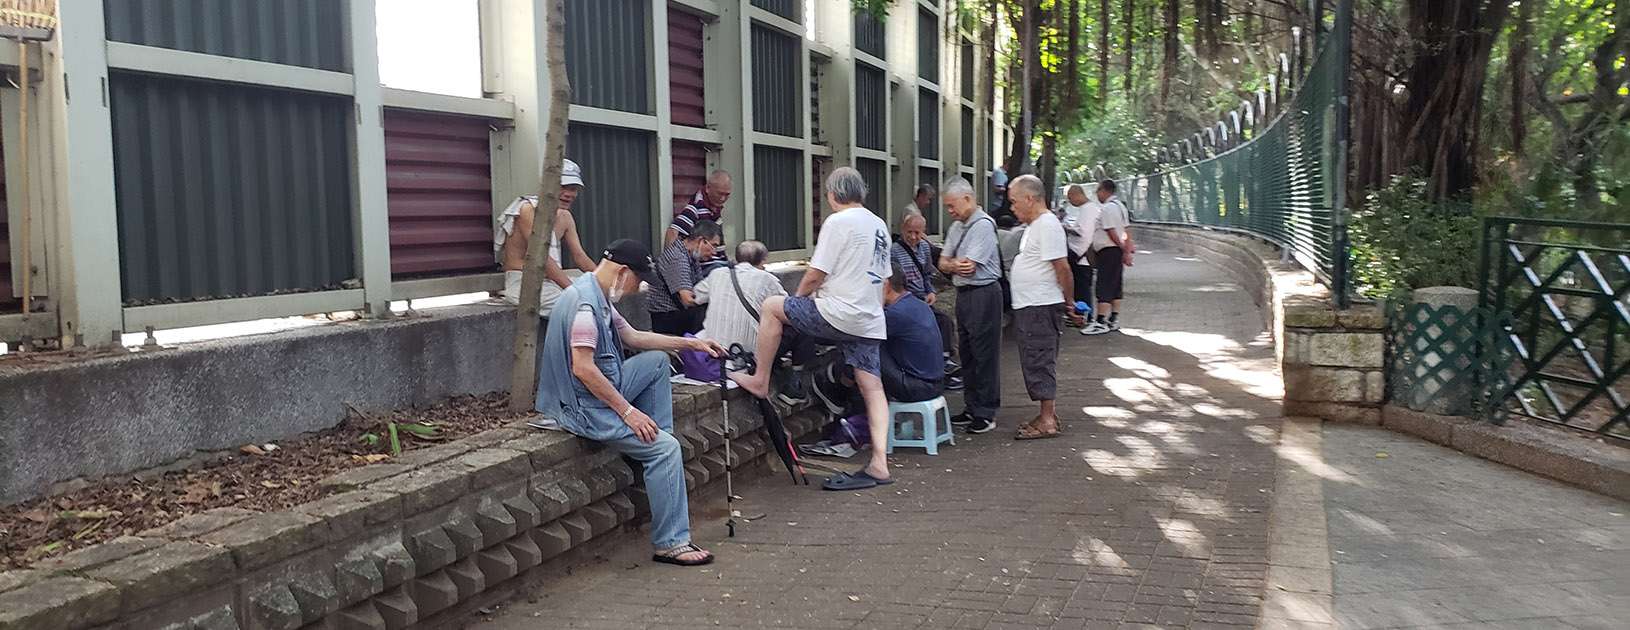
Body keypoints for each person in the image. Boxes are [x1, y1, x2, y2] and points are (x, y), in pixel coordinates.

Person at [532, 239, 725, 567]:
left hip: (596, 392)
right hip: (582, 409)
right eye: (639, 279)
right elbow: (583, 369)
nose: (640, 287)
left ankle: (656, 451)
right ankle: (671, 544)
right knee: (666, 449)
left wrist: (692, 345)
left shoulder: (593, 291)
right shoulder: (585, 309)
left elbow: (633, 337)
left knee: (657, 362)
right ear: (623, 272)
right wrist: (629, 412)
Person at [731, 167, 895, 491]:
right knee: (872, 387)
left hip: (837, 313)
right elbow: (884, 279)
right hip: (869, 319)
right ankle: (879, 463)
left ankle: (760, 379)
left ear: (833, 195)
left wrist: (797, 300)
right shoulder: (879, 225)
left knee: (772, 308)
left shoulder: (838, 222)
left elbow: (815, 274)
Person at [812, 261, 945, 414]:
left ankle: (839, 389)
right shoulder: (918, 304)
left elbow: (858, 332)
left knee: (863, 346)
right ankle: (843, 386)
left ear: (885, 284)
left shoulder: (897, 313)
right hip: (934, 383)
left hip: (915, 386)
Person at [1006, 175, 1072, 440]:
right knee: (1035, 359)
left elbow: (1063, 268)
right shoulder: (1036, 225)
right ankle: (1047, 414)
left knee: (1039, 359)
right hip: (1032, 305)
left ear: (1030, 199)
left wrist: (1069, 302)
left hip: (1040, 306)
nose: (1012, 208)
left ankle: (1047, 420)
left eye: (1014, 202)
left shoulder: (1047, 225)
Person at [938, 177, 1003, 435]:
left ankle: (986, 411)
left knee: (984, 352)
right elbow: (944, 262)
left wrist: (952, 264)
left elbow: (968, 266)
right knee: (966, 351)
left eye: (952, 206)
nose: (950, 212)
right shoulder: (957, 227)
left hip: (984, 292)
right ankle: (972, 405)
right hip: (964, 293)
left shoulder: (983, 226)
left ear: (967, 198)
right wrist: (953, 264)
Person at [495, 159, 597, 319]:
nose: (569, 194)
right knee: (582, 306)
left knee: (597, 295)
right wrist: (572, 290)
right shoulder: (528, 210)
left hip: (553, 282)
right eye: (563, 187)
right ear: (547, 185)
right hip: (523, 282)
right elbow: (543, 259)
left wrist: (604, 282)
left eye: (573, 189)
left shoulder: (565, 216)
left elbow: (580, 257)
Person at [890, 213, 961, 389]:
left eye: (917, 233)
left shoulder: (924, 248)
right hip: (907, 297)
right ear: (902, 230)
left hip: (923, 296)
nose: (913, 237)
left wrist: (930, 291)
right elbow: (895, 282)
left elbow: (927, 274)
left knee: (944, 322)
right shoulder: (894, 251)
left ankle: (944, 359)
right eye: (909, 232)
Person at [647, 220, 722, 335]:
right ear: (702, 241)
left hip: (677, 314)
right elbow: (687, 300)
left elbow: (699, 287)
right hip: (665, 317)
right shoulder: (677, 257)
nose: (714, 252)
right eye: (714, 246)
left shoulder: (691, 256)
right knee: (708, 313)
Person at [1082, 179, 1134, 336]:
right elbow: (1126, 229)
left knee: (1104, 284)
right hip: (1116, 251)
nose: (1097, 194)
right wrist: (1126, 249)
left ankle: (1100, 321)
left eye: (1098, 191)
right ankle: (1113, 318)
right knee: (1115, 284)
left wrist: (1123, 247)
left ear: (1104, 190)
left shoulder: (1107, 209)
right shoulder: (1120, 207)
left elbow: (1110, 230)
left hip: (1108, 250)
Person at [666, 170, 733, 273]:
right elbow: (672, 232)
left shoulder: (714, 209)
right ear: (707, 189)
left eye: (727, 194)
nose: (722, 198)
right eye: (719, 193)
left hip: (720, 263)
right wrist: (675, 266)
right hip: (707, 267)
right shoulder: (695, 209)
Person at [1060, 184, 1101, 328]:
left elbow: (1082, 232)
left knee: (1082, 288)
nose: (1070, 201)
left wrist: (1066, 228)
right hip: (1080, 254)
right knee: (1080, 288)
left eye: (1070, 197)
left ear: (1077, 195)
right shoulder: (1088, 209)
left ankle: (1084, 316)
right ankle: (1080, 316)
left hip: (1081, 255)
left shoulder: (1089, 210)